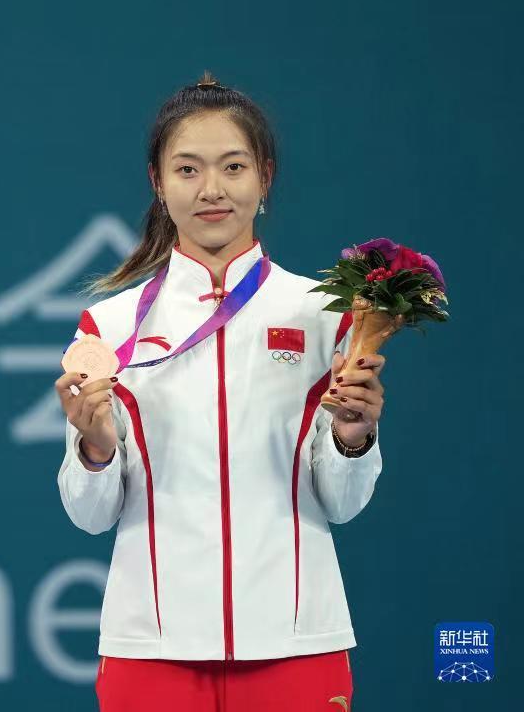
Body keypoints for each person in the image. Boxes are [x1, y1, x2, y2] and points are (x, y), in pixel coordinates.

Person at [55, 72, 384, 711]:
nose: (212, 189)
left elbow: (343, 505)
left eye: (233, 167)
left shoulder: (325, 314)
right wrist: (94, 450)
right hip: (152, 646)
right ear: (158, 183)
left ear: (265, 178)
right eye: (188, 169)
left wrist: (353, 438)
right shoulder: (112, 327)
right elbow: (90, 515)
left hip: (296, 639)